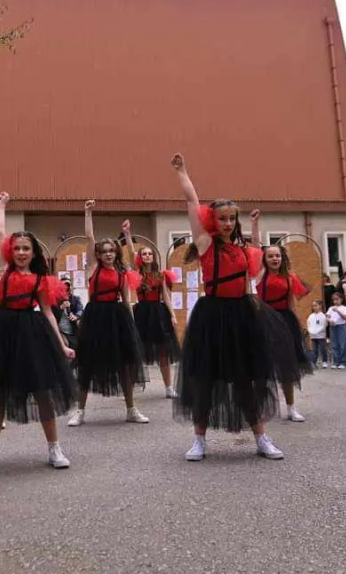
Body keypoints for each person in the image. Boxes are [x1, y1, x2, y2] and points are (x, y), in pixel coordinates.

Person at [169, 152, 297, 461]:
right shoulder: (205, 244)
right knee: (204, 380)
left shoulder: (245, 251)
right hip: (211, 315)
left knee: (246, 380)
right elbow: (191, 202)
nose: (227, 223)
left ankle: (261, 438)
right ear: (213, 220)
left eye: (230, 219)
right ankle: (199, 440)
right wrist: (183, 172)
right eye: (222, 218)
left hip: (241, 315)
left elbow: (253, 276)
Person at [0, 192, 77, 472]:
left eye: (26, 249)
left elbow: (48, 313)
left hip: (32, 334)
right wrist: (0, 206)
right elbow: (1, 232)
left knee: (41, 391)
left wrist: (62, 344)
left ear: (33, 253)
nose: (21, 253)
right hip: (3, 333)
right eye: (17, 248)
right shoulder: (2, 270)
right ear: (10, 252)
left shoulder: (40, 280)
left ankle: (54, 448)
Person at [67, 201, 148, 426]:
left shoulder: (123, 273)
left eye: (112, 250)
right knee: (87, 364)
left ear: (116, 252)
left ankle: (131, 409)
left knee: (125, 365)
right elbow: (90, 238)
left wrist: (132, 328)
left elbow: (127, 301)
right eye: (104, 252)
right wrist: (88, 212)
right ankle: (80, 411)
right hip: (95, 317)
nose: (108, 254)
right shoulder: (92, 267)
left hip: (118, 318)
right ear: (98, 255)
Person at [251, 210, 312, 422]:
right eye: (271, 256)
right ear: (265, 259)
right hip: (263, 320)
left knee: (287, 366)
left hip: (285, 321)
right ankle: (260, 407)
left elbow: (291, 303)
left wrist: (300, 326)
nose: (274, 258)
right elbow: (257, 248)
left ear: (281, 258)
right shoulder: (260, 274)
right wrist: (255, 223)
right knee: (262, 366)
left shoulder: (289, 277)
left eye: (277, 255)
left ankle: (291, 408)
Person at [123, 220, 181, 398]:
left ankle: (168, 388)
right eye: (145, 254)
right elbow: (132, 252)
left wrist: (172, 315)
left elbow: (166, 296)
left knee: (163, 351)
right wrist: (127, 233)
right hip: (141, 313)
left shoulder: (161, 275)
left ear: (153, 257)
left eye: (150, 254)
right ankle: (130, 387)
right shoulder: (137, 273)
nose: (147, 256)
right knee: (137, 350)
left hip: (158, 313)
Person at [58, 279, 84, 350]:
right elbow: (51, 314)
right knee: (65, 345)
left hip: (72, 331)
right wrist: (60, 307)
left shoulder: (75, 299)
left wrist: (76, 316)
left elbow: (80, 310)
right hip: (60, 332)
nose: (66, 288)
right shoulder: (56, 299)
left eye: (67, 286)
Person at [326, 293, 346, 369]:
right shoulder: (330, 308)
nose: (335, 301)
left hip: (341, 326)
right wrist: (329, 321)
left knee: (342, 344)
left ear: (341, 299)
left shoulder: (344, 308)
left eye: (337, 299)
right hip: (333, 327)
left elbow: (345, 317)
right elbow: (327, 316)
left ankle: (344, 362)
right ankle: (336, 361)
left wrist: (338, 311)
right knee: (334, 344)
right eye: (334, 300)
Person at [306, 300, 328, 369]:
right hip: (313, 336)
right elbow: (308, 324)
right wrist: (310, 331)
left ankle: (324, 361)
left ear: (320, 306)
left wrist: (317, 331)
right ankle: (313, 362)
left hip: (321, 336)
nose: (314, 307)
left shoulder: (323, 316)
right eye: (313, 306)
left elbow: (324, 325)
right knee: (314, 350)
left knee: (322, 349)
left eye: (316, 305)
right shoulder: (311, 316)